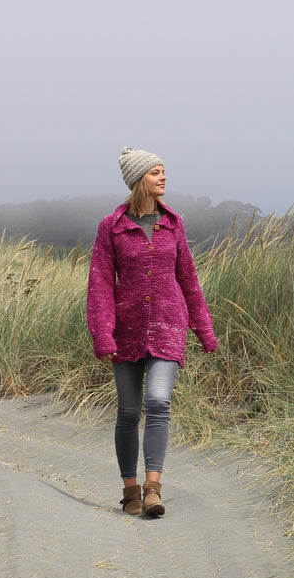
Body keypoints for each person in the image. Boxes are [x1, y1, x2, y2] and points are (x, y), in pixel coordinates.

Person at [87, 147, 218, 517]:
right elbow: (99, 284)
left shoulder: (174, 224)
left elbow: (188, 279)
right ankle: (130, 490)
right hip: (125, 330)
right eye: (156, 172)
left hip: (168, 326)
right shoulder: (111, 227)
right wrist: (103, 334)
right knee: (128, 412)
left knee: (159, 402)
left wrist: (203, 328)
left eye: (164, 171)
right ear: (137, 179)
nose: (163, 177)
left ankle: (153, 489)